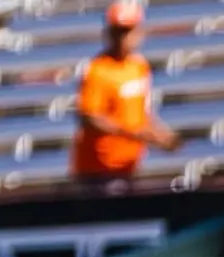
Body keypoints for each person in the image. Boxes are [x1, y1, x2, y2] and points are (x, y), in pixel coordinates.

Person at [71, 1, 180, 191]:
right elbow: (89, 116)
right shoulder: (98, 70)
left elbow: (140, 112)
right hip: (99, 169)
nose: (122, 38)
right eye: (117, 31)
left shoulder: (138, 67)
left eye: (127, 31)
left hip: (128, 165)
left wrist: (161, 134)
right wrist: (133, 133)